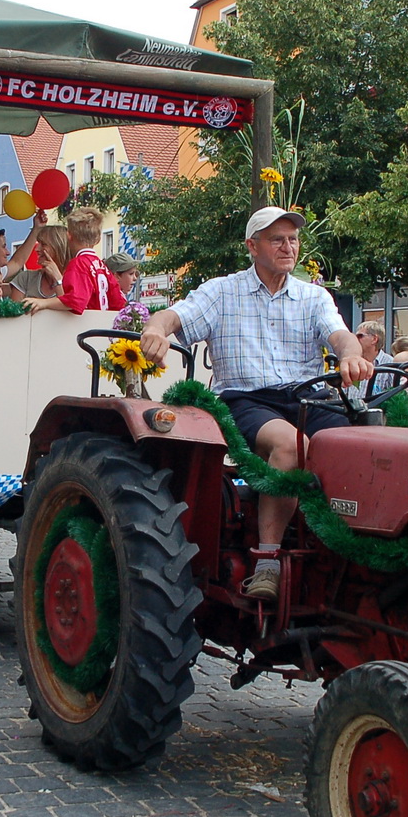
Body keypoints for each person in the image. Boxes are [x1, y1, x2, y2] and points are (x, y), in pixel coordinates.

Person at [139, 205, 371, 601]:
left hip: (308, 396)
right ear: (253, 246)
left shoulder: (313, 296)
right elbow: (174, 316)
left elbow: (341, 336)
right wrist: (156, 330)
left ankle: (353, 551)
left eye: (293, 239)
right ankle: (267, 561)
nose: (288, 247)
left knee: (366, 446)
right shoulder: (223, 291)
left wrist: (350, 355)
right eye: (277, 239)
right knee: (289, 444)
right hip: (245, 398)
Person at [28, 207, 123, 314]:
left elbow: (75, 300)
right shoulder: (102, 267)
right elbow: (118, 302)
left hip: (87, 327)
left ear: (69, 236)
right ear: (98, 239)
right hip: (102, 324)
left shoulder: (78, 263)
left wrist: (43, 303)